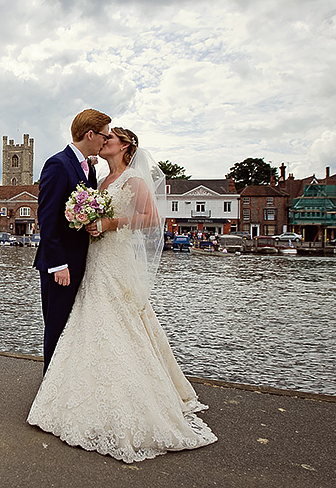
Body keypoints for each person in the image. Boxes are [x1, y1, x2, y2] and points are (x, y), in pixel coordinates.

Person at [28, 126, 217, 463]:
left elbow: (151, 218)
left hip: (114, 258)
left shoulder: (133, 179)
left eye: (110, 138)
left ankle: (128, 391)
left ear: (125, 146)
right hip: (94, 259)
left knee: (119, 320)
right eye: (103, 136)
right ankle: (77, 387)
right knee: (88, 322)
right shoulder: (98, 180)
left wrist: (107, 224)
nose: (105, 141)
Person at [34, 109, 111, 373]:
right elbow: (46, 218)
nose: (106, 141)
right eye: (104, 136)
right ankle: (49, 389)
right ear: (90, 134)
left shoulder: (87, 168)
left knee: (73, 326)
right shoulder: (57, 164)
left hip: (80, 261)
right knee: (57, 325)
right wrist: (58, 264)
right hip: (61, 265)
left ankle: (66, 382)